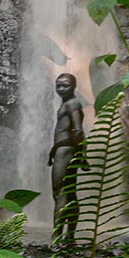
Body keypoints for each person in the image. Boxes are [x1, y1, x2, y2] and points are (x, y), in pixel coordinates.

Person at [49, 71, 87, 240]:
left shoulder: (72, 103)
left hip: (66, 150)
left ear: (74, 86)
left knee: (60, 193)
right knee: (70, 193)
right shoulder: (69, 103)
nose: (61, 89)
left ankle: (56, 237)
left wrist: (81, 153)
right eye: (58, 85)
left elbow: (78, 130)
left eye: (65, 85)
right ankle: (69, 236)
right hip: (64, 149)